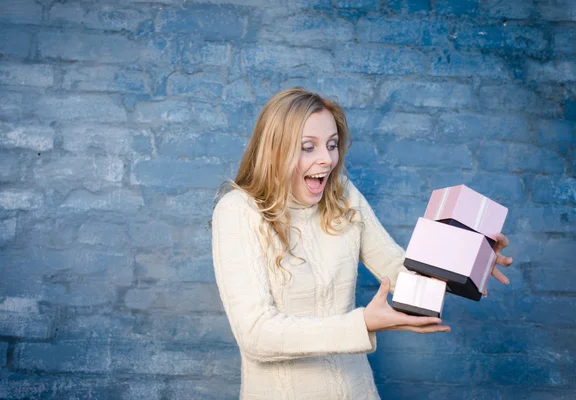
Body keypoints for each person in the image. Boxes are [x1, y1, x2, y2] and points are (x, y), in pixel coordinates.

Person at [211, 88, 512, 399]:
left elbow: (397, 271)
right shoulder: (238, 211)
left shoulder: (342, 194)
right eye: (307, 147)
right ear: (273, 150)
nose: (326, 159)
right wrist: (362, 324)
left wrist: (466, 262)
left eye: (332, 145)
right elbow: (256, 334)